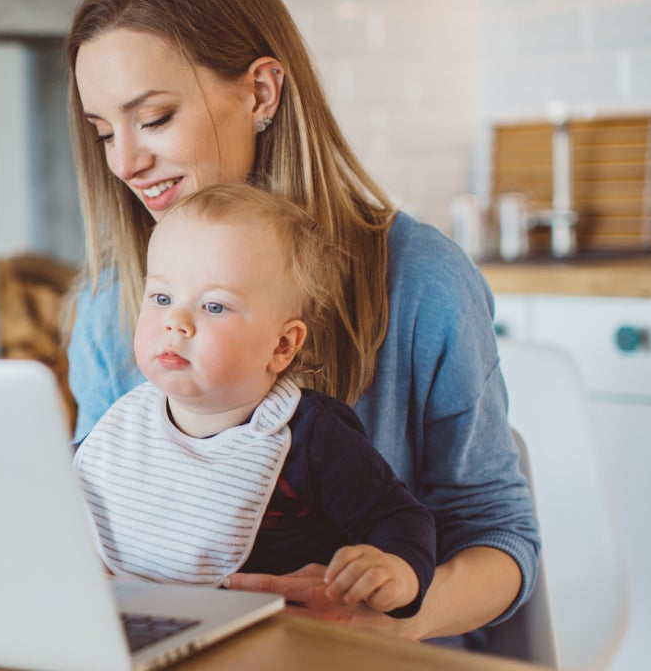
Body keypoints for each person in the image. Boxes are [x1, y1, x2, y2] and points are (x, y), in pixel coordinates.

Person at [63, 0, 539, 649]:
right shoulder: (114, 302)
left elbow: (497, 530)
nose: (122, 162)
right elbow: (87, 531)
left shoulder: (421, 279)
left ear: (260, 93)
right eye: (104, 131)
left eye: (154, 118)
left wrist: (386, 618)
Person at [75, 184, 436, 619]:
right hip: (143, 638)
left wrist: (396, 571)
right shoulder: (126, 424)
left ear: (282, 346)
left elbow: (397, 517)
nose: (176, 322)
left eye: (214, 306)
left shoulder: (311, 437)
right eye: (162, 298)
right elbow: (62, 492)